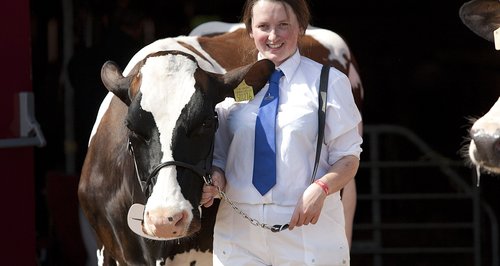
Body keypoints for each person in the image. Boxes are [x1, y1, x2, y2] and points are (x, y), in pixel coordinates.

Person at [201, 0, 362, 265]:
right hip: (239, 233)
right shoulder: (230, 86)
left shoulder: (329, 82)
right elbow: (218, 157)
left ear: (301, 27)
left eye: (283, 25)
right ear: (250, 30)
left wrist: (321, 188)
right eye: (263, 26)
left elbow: (348, 158)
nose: (273, 36)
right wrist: (215, 180)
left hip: (309, 229)